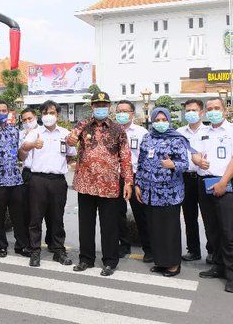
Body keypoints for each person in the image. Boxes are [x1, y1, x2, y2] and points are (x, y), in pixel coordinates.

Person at [66, 92, 132, 276]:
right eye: (97, 105)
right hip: (85, 183)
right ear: (92, 107)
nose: (100, 108)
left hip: (109, 185)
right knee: (85, 224)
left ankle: (110, 261)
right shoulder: (83, 125)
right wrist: (70, 140)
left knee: (109, 225)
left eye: (104, 105)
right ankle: (86, 259)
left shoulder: (118, 129)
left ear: (109, 106)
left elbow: (125, 158)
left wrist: (128, 182)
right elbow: (70, 139)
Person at [192, 97, 233, 293]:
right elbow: (195, 153)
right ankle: (218, 265)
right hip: (204, 184)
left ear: (224, 110)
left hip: (227, 183)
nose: (213, 111)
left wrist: (223, 182)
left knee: (229, 231)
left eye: (217, 108)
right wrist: (198, 161)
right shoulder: (203, 132)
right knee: (212, 229)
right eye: (209, 109)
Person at [20, 100, 77, 267]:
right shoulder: (35, 132)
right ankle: (35, 250)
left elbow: (71, 154)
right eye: (45, 113)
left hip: (58, 181)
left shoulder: (65, 133)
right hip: (38, 180)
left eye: (51, 113)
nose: (48, 116)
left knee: (57, 217)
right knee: (35, 218)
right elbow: (24, 147)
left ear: (57, 115)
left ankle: (58, 250)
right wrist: (32, 145)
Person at [134, 107, 190, 277]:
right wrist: (138, 184)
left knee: (169, 229)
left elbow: (184, 164)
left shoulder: (177, 139)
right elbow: (141, 163)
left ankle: (173, 264)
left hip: (169, 193)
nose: (160, 123)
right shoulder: (147, 138)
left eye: (163, 120)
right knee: (155, 229)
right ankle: (161, 262)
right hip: (150, 193)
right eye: (157, 120)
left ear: (169, 120)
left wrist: (173, 165)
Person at [0, 99, 29, 258]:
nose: (1, 113)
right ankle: (2, 245)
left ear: (7, 112)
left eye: (4, 110)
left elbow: (21, 152)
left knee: (18, 216)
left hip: (15, 180)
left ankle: (21, 246)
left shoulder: (15, 130)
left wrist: (27, 147)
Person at [114, 100, 150, 261]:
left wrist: (141, 181)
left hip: (136, 177)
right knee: (118, 214)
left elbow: (147, 159)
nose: (122, 114)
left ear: (132, 114)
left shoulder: (142, 132)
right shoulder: (112, 132)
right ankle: (124, 244)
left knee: (141, 213)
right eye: (119, 111)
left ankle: (149, 247)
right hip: (116, 177)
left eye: (125, 111)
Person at [177, 99, 212, 263]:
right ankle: (193, 250)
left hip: (205, 178)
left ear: (202, 112)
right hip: (185, 178)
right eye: (188, 110)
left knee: (208, 216)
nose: (190, 113)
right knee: (189, 216)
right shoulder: (179, 132)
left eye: (194, 110)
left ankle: (212, 251)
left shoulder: (210, 131)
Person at [18, 108, 52, 252]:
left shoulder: (45, 131)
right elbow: (20, 156)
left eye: (30, 119)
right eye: (24, 120)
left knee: (51, 212)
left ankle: (52, 243)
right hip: (28, 173)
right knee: (28, 211)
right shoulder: (20, 134)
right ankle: (28, 243)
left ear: (36, 117)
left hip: (43, 175)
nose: (27, 122)